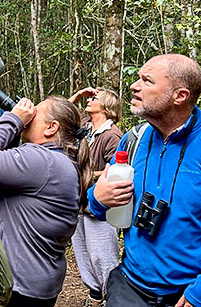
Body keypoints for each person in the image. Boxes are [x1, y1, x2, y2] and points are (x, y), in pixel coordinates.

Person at [88, 54, 201, 307]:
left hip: (186, 294)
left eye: (146, 80)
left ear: (179, 96)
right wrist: (97, 197)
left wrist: (198, 294)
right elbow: (96, 204)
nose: (134, 85)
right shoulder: (134, 139)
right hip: (129, 286)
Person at [0, 96, 93, 307]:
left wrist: (14, 119)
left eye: (34, 114)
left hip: (18, 288)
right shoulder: (56, 161)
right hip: (33, 284)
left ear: (51, 128)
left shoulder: (43, 160)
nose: (29, 116)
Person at [69, 87, 123, 306]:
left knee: (103, 255)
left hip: (100, 207)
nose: (90, 100)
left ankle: (111, 296)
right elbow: (65, 110)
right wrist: (81, 94)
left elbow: (116, 170)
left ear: (107, 107)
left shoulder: (112, 135)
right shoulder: (86, 127)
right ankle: (94, 294)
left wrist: (87, 174)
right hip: (79, 202)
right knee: (82, 252)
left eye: (95, 99)